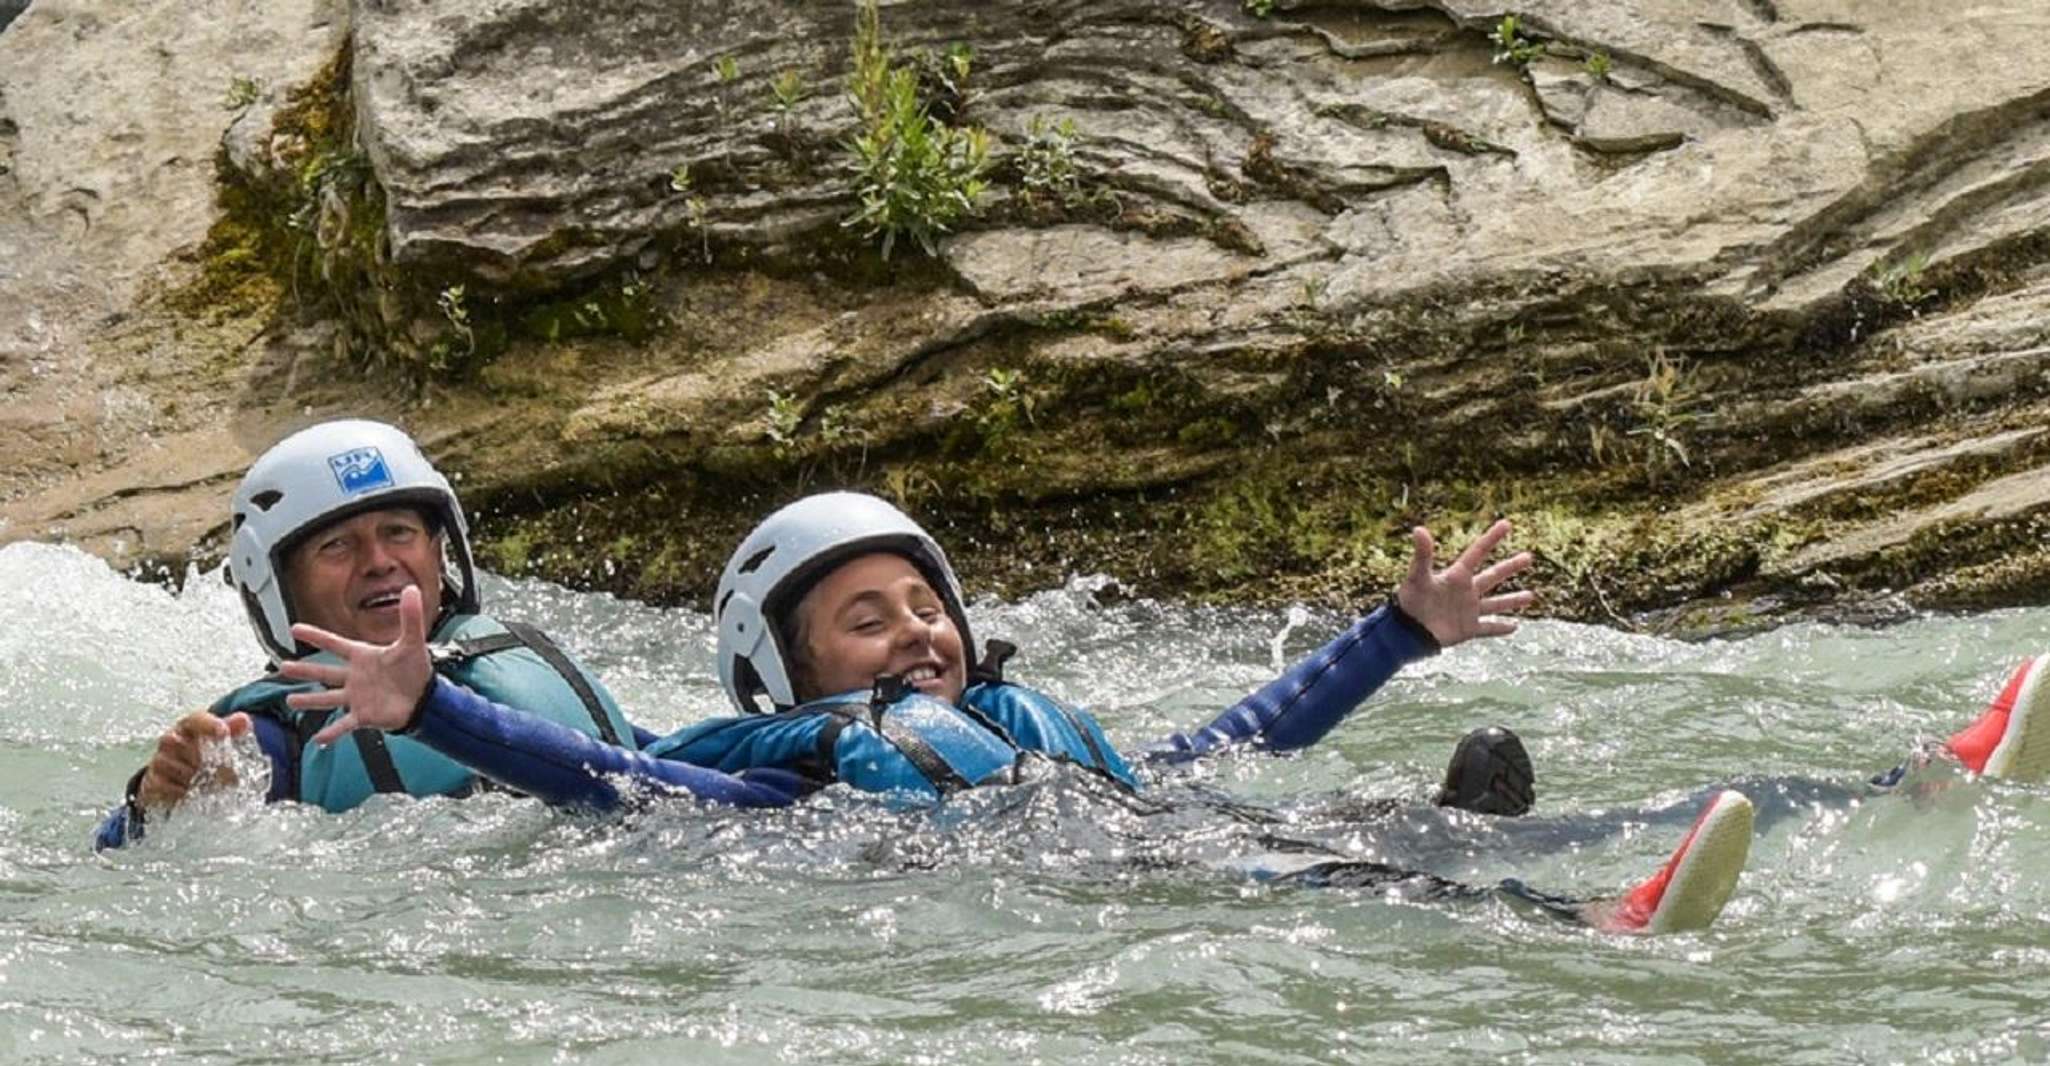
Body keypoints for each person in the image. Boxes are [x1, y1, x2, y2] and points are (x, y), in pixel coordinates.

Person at [279, 492, 1756, 934]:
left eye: (923, 605)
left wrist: (1396, 633)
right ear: (781, 681)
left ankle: (1894, 778)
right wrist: (442, 713)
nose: (913, 630)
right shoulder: (801, 776)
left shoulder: (1025, 722)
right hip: (1049, 881)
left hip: (1127, 825)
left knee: (1335, 812)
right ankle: (1588, 923)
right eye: (863, 619)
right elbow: (615, 782)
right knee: (1292, 867)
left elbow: (1236, 735)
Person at [91, 419, 648, 849]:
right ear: (278, 585)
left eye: (399, 533)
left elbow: (672, 773)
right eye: (338, 547)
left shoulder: (515, 658)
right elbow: (130, 859)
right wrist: (153, 806)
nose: (380, 562)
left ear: (438, 550)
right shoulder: (276, 737)